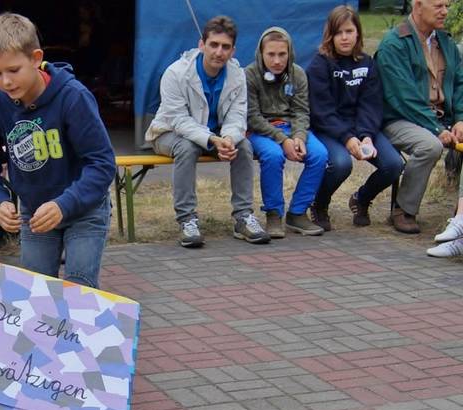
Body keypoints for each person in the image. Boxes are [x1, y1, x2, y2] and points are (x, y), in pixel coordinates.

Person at [0, 12, 116, 289]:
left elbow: (102, 164)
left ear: (36, 58)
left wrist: (64, 204)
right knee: (36, 292)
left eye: (13, 70)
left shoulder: (73, 97)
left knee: (79, 292)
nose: (5, 82)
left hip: (84, 208)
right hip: (34, 211)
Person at [145, 15, 270, 247]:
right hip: (167, 132)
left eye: (225, 47)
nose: (218, 52)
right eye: (213, 45)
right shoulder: (175, 73)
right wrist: (213, 139)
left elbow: (237, 116)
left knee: (243, 145)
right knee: (187, 146)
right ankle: (187, 220)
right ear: (201, 44)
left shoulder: (237, 75)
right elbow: (179, 121)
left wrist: (230, 139)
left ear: (233, 50)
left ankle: (243, 217)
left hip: (216, 135)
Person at [307, 5, 404, 231]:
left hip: (362, 128)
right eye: (339, 32)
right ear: (330, 35)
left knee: (393, 164)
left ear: (357, 33)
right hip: (329, 129)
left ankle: (361, 199)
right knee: (341, 164)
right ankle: (319, 204)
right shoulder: (319, 64)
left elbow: (370, 105)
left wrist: (367, 136)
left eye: (349, 31)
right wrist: (348, 139)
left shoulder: (367, 63)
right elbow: (321, 111)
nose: (344, 37)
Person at [376, 0, 463, 234]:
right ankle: (403, 210)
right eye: (438, 6)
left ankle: (461, 214)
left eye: (447, 5)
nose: (445, 11)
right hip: (398, 119)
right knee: (429, 146)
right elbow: (402, 97)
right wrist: (437, 129)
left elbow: (460, 85)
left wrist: (460, 120)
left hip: (442, 119)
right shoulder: (394, 44)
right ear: (418, 5)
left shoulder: (446, 42)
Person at [246, 27, 328, 238]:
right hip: (262, 129)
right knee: (273, 156)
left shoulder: (298, 74)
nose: (276, 61)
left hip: (292, 127)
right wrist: (282, 140)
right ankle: (274, 213)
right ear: (261, 54)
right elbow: (252, 116)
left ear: (289, 53)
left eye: (282, 54)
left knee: (319, 154)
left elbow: (301, 110)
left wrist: (299, 137)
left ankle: (298, 212)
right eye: (271, 54)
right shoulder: (249, 75)